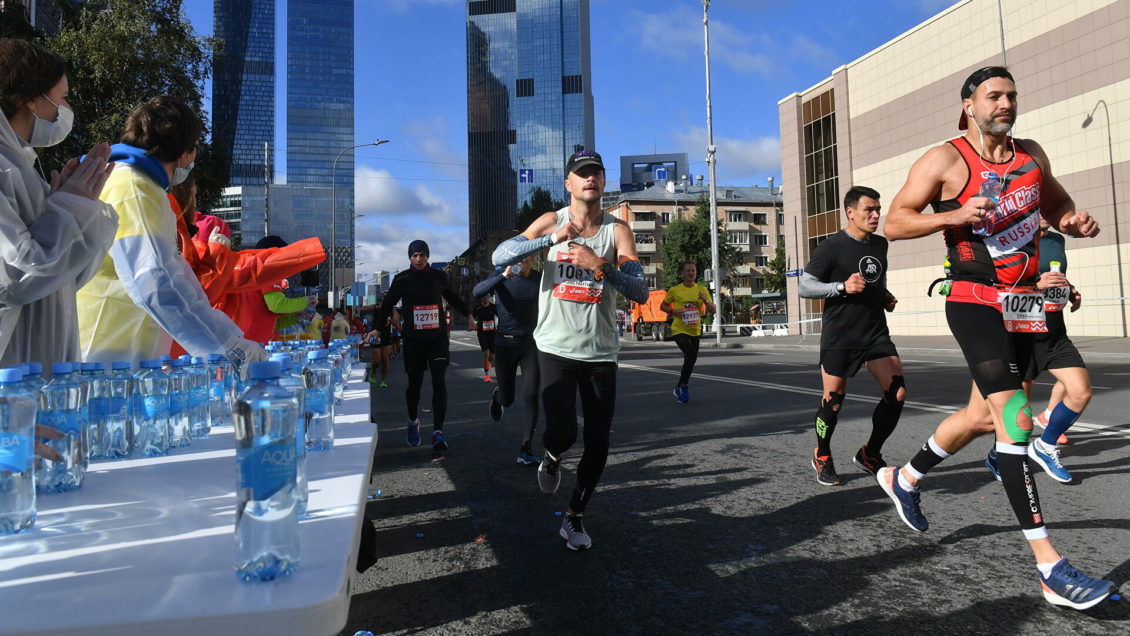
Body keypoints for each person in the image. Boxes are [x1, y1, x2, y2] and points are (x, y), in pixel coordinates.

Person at [878, 66, 1114, 609]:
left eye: (1011, 95)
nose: (1005, 103)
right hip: (974, 301)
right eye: (994, 96)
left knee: (982, 417)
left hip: (1026, 300)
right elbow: (894, 222)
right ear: (968, 104)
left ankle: (905, 477)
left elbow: (1054, 205)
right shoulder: (945, 159)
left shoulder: (1031, 154)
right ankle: (1050, 567)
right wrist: (956, 214)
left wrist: (1071, 222)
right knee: (1014, 421)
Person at [493, 149, 648, 550]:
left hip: (599, 352)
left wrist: (601, 264)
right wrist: (548, 240)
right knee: (563, 432)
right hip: (555, 347)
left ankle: (574, 517)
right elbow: (499, 257)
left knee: (599, 443)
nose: (589, 178)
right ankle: (551, 453)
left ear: (603, 180)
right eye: (581, 173)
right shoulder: (551, 220)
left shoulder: (618, 231)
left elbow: (639, 290)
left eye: (596, 171)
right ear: (568, 184)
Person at [76, 96, 265, 372]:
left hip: (122, 349)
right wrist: (228, 349)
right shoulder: (132, 187)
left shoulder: (145, 188)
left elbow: (180, 280)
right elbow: (154, 281)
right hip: (104, 351)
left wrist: (232, 343)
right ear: (186, 152)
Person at [0, 39, 118, 370]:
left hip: (43, 361)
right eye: (62, 98)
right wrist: (69, 207)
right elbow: (13, 278)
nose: (65, 110)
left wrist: (72, 207)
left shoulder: (22, 165)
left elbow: (64, 275)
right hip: (14, 366)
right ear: (32, 101)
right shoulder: (4, 167)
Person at [799, 186, 904, 486]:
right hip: (840, 334)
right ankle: (822, 454)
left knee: (897, 393)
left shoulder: (881, 245)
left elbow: (873, 281)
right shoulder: (830, 247)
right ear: (850, 212)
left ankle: (870, 453)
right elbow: (804, 287)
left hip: (874, 332)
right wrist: (841, 287)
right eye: (869, 209)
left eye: (878, 208)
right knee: (833, 401)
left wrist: (884, 296)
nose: (875, 214)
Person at [986, 219, 1087, 483]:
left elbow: (1057, 274)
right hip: (1024, 331)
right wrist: (1035, 286)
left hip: (1055, 332)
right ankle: (999, 456)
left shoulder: (1057, 240)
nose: (1043, 213)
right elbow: (997, 284)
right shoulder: (1009, 240)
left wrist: (1070, 290)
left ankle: (1045, 445)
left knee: (1081, 391)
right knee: (1020, 410)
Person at [375, 239, 469, 451]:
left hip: (437, 339)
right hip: (414, 340)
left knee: (439, 382)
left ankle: (438, 431)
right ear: (409, 257)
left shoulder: (439, 276)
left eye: (422, 255)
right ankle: (413, 421)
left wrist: (468, 314)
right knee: (414, 385)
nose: (418, 259)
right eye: (414, 255)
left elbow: (452, 297)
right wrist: (378, 328)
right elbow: (387, 305)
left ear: (428, 256)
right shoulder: (402, 279)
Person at [473, 254, 542, 465]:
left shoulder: (539, 278)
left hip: (531, 343)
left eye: (525, 256)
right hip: (504, 343)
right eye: (517, 257)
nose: (522, 261)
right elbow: (478, 291)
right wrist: (504, 274)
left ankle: (526, 447)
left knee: (531, 394)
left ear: (531, 257)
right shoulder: (502, 275)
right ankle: (498, 397)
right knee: (508, 399)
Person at [661, 262, 715, 404]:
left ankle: (678, 386)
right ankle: (684, 387)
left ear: (696, 273)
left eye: (693, 270)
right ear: (682, 273)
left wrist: (705, 301)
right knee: (690, 355)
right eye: (688, 271)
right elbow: (663, 306)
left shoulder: (701, 289)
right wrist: (672, 311)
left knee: (691, 360)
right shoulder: (675, 290)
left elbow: (713, 310)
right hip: (679, 328)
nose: (691, 273)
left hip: (695, 329)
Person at [470, 295, 497, 382]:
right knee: (486, 353)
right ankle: (487, 375)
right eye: (484, 297)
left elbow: (500, 316)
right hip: (482, 333)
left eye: (487, 297)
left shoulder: (493, 307)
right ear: (481, 298)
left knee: (492, 356)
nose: (485, 299)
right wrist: (472, 325)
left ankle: (487, 362)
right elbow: (472, 318)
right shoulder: (477, 308)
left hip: (492, 333)